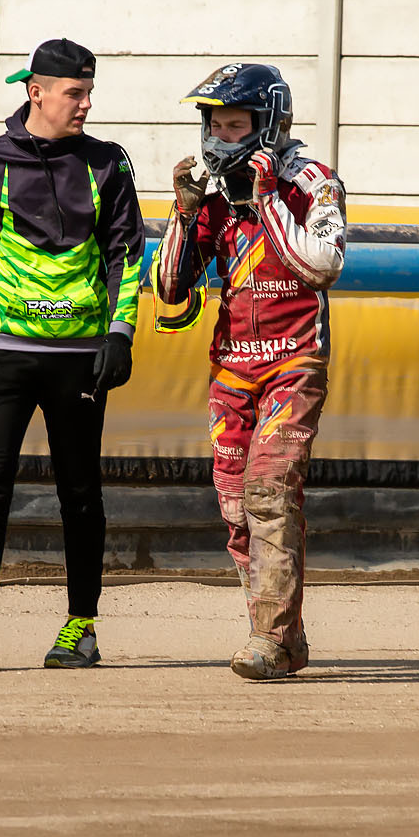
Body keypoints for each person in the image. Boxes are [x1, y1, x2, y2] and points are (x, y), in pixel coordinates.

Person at [0, 38, 144, 671]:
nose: (86, 104)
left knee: (81, 492)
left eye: (90, 92)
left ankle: (81, 628)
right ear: (36, 92)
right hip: (3, 353)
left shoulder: (109, 162)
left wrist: (121, 334)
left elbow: (127, 253)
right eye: (75, 93)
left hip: (81, 357)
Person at [153, 62, 347, 681]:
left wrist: (265, 200)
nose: (220, 137)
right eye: (213, 124)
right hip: (231, 371)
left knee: (269, 490)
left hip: (295, 362)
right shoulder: (213, 192)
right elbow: (171, 288)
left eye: (234, 125)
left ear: (267, 124)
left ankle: (268, 638)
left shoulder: (311, 182)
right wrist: (184, 214)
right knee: (236, 507)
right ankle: (285, 640)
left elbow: (321, 267)